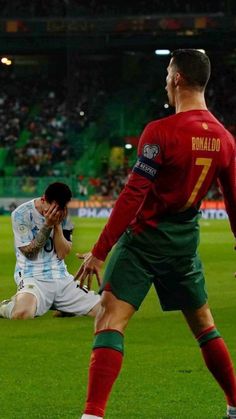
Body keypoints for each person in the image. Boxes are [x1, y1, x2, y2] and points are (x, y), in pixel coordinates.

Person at [75, 49, 236, 419]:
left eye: (167, 74)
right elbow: (234, 203)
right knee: (204, 326)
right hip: (184, 246)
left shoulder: (161, 132)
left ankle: (92, 415)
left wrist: (100, 251)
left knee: (109, 321)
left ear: (178, 78)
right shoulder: (226, 140)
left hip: (144, 241)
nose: (165, 81)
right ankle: (234, 404)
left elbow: (133, 194)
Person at [0, 182, 100, 320]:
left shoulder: (64, 216)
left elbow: (63, 254)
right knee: (22, 314)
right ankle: (6, 307)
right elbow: (30, 253)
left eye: (59, 209)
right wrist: (47, 225)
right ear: (43, 199)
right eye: (52, 208)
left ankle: (65, 307)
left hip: (61, 278)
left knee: (103, 310)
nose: (55, 212)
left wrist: (57, 225)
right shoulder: (21, 214)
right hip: (33, 276)